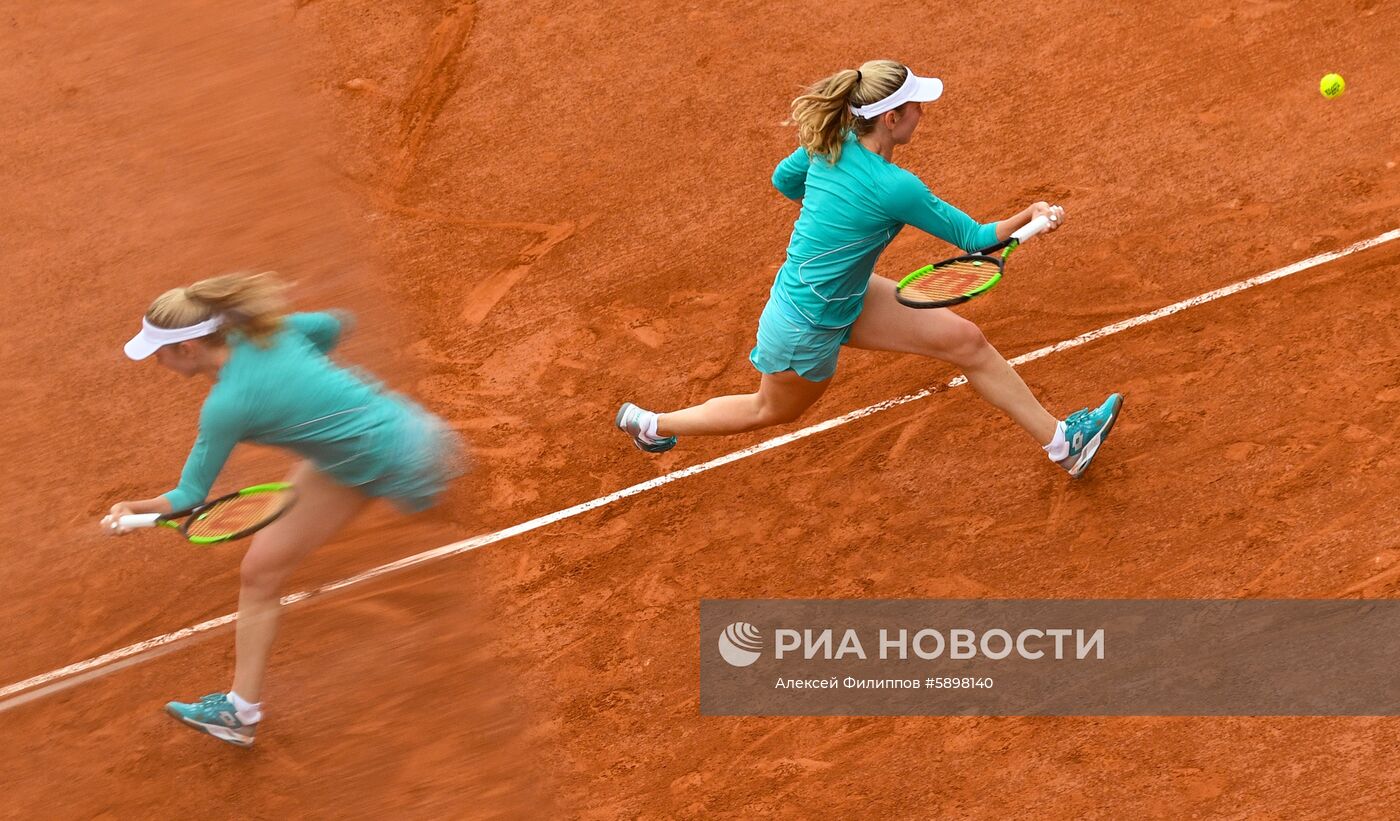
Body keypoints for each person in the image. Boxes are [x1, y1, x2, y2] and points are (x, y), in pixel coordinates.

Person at [615, 60, 1121, 476]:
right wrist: (1030, 216)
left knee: (966, 342)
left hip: (846, 295)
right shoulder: (894, 187)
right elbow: (975, 240)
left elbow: (783, 181)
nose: (923, 112)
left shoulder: (829, 145)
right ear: (891, 120)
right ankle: (654, 424)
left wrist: (832, 213)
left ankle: (1064, 444)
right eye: (916, 106)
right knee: (770, 409)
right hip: (805, 324)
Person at [101, 272, 464, 747]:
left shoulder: (227, 404)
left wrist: (132, 512)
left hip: (407, 459)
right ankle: (239, 712)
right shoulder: (270, 331)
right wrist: (309, 389)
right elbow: (335, 325)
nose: (155, 361)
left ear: (189, 349)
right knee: (261, 571)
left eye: (159, 352)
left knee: (465, 528)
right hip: (377, 446)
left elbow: (188, 497)